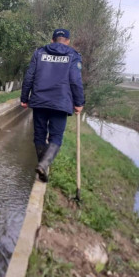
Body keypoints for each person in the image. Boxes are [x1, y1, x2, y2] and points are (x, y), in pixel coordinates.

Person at [20, 28, 85, 182]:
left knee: (39, 136)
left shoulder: (39, 53)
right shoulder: (73, 56)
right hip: (61, 102)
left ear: (52, 40)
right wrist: (79, 102)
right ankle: (43, 166)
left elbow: (29, 76)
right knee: (56, 137)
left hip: (40, 101)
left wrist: (24, 97)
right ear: (68, 41)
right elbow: (75, 81)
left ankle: (42, 165)